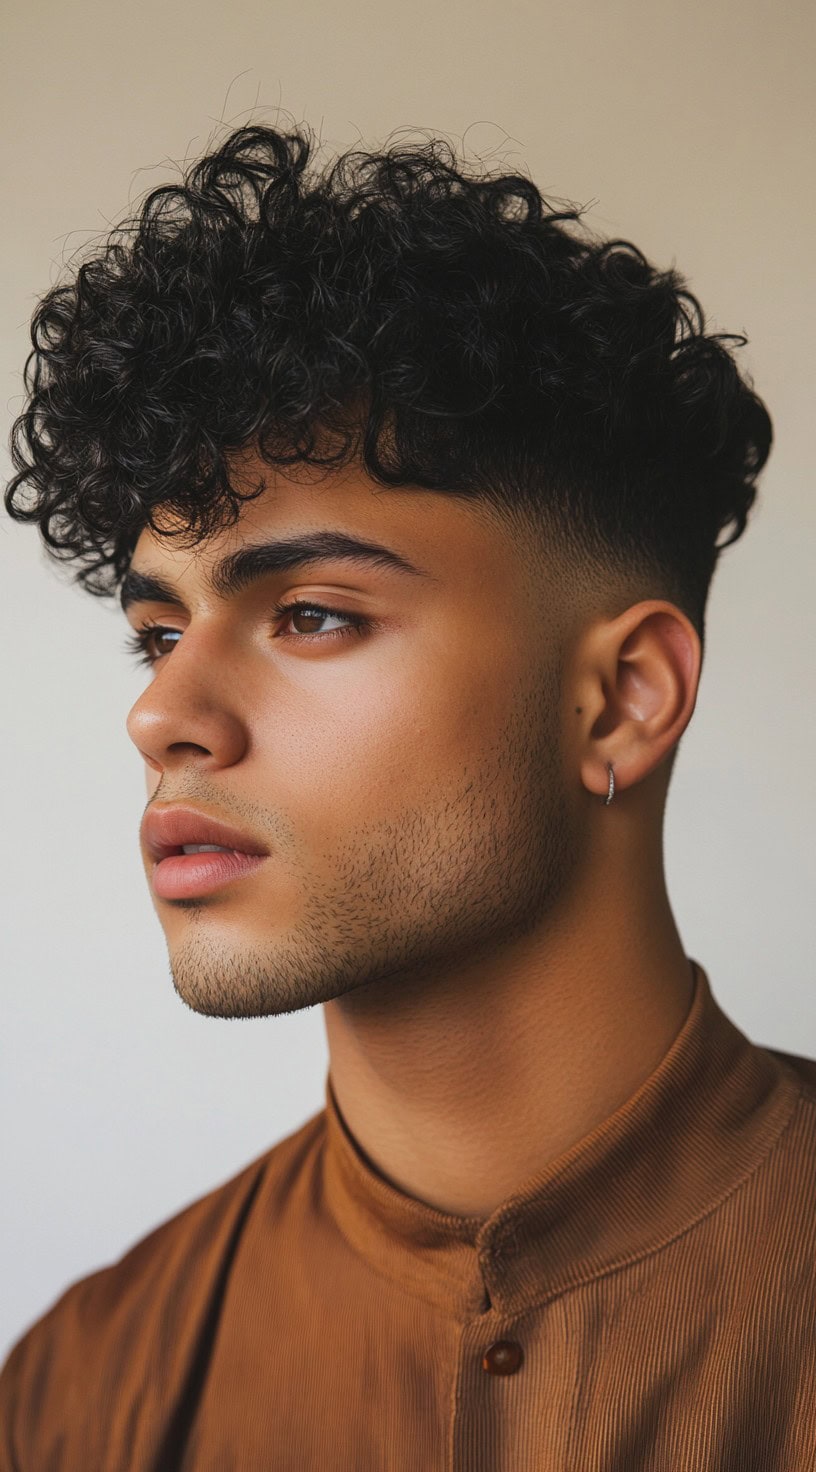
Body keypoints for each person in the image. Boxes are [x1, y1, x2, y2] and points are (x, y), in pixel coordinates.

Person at [1, 120, 814, 1470]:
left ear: (622, 699)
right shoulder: (81, 1395)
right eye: (158, 633)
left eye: (312, 615)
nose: (160, 714)